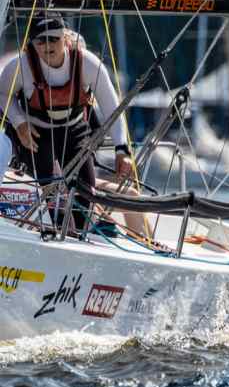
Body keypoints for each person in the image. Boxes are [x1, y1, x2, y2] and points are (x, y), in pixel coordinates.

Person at [0, 13, 133, 231]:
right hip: (37, 135)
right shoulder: (20, 66)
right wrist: (19, 123)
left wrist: (122, 150)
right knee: (52, 196)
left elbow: (112, 108)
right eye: (40, 41)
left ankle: (78, 237)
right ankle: (55, 234)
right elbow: (2, 94)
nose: (47, 46)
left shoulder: (87, 63)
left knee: (85, 193)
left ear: (66, 38)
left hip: (75, 131)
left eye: (53, 39)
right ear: (32, 44)